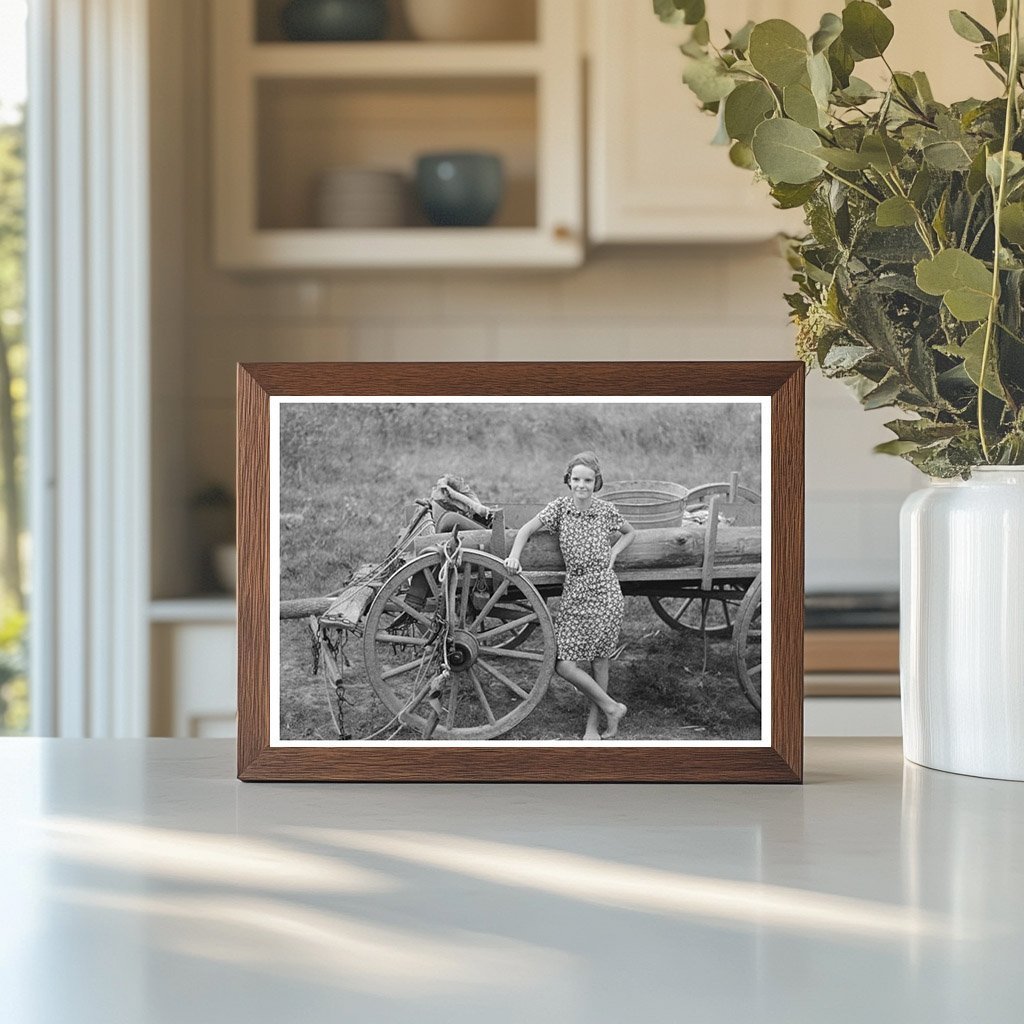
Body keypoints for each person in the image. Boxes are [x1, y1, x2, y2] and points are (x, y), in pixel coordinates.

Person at [504, 451, 636, 740]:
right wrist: (514, 556)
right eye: (576, 479)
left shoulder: (605, 510)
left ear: (596, 482)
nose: (581, 485)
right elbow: (526, 529)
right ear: (569, 480)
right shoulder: (560, 509)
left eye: (587, 480)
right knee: (563, 664)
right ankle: (613, 708)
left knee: (600, 660)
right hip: (575, 591)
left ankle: (594, 725)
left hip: (605, 591)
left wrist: (614, 551)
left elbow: (629, 532)